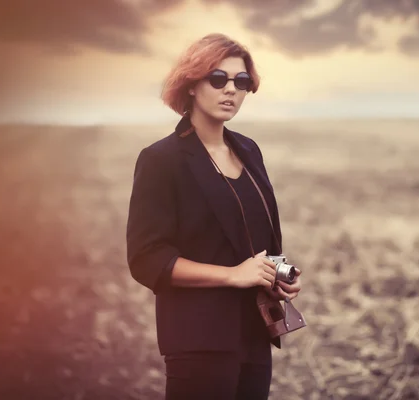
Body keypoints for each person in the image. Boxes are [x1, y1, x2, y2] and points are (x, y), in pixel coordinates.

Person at [125, 33, 302, 399]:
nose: (231, 90)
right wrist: (233, 276)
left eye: (241, 82)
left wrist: (276, 276)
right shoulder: (162, 160)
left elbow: (258, 239)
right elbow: (146, 260)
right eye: (217, 79)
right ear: (191, 84)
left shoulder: (249, 150)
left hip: (255, 331)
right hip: (198, 338)